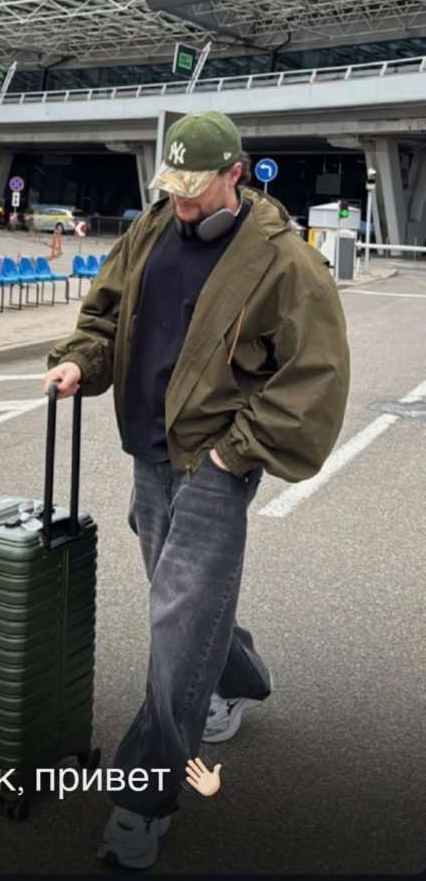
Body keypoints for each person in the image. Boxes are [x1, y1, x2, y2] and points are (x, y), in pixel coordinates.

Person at [43, 111, 350, 871]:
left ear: (234, 174)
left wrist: (231, 454)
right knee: (181, 597)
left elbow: (313, 376)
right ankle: (242, 676)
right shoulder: (151, 227)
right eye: (171, 186)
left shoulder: (285, 262)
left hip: (216, 461)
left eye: (194, 188)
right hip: (147, 449)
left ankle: (142, 802)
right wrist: (81, 359)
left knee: (178, 620)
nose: (180, 202)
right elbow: (106, 312)